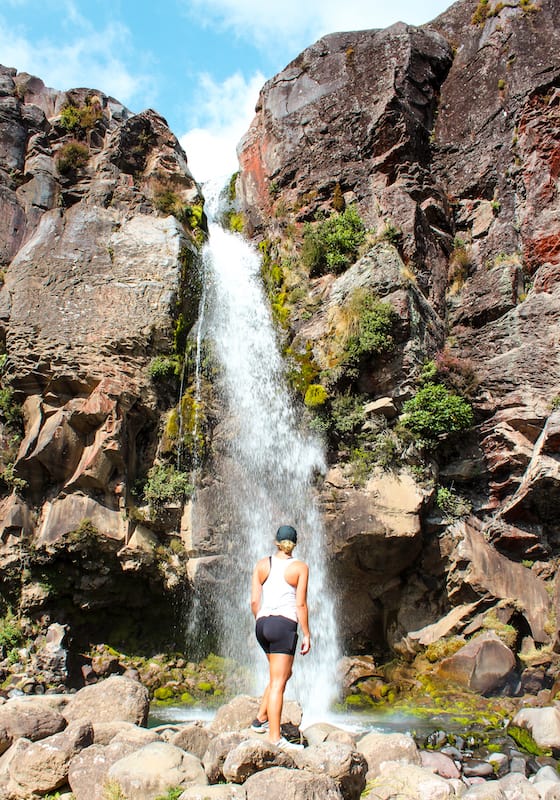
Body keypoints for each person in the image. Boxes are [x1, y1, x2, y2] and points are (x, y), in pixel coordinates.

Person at [250, 524, 311, 751]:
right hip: (283, 623)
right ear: (295, 543)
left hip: (263, 623)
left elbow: (255, 602)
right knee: (279, 681)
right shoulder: (300, 568)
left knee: (282, 674)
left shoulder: (262, 564)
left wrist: (261, 621)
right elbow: (301, 604)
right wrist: (306, 633)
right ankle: (275, 739)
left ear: (276, 541)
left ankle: (260, 719)